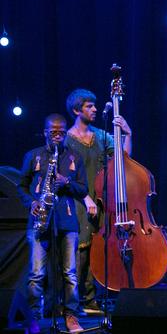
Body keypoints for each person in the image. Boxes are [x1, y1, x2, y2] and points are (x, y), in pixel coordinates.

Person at [17, 114, 88, 333]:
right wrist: (31, 204)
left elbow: (83, 189)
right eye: (52, 132)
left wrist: (66, 182)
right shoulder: (33, 156)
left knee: (70, 274)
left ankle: (71, 317)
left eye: (61, 132)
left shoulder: (75, 156)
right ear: (45, 132)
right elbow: (22, 186)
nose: (57, 136)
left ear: (65, 132)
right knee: (36, 274)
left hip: (66, 222)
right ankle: (34, 319)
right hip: (39, 220)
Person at [64, 88, 132, 314]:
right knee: (79, 252)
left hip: (101, 200)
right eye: (89, 106)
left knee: (97, 250)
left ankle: (92, 300)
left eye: (94, 106)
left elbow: (123, 162)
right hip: (76, 201)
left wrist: (127, 134)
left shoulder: (101, 136)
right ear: (76, 110)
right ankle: (75, 301)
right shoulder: (67, 139)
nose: (94, 109)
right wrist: (84, 198)